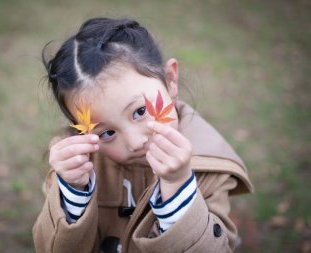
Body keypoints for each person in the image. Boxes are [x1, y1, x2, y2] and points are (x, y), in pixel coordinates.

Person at [33, 17, 253, 253]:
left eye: (140, 111)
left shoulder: (209, 170)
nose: (136, 142)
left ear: (170, 80)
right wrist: (73, 191)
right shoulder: (78, 169)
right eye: (107, 132)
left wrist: (178, 187)